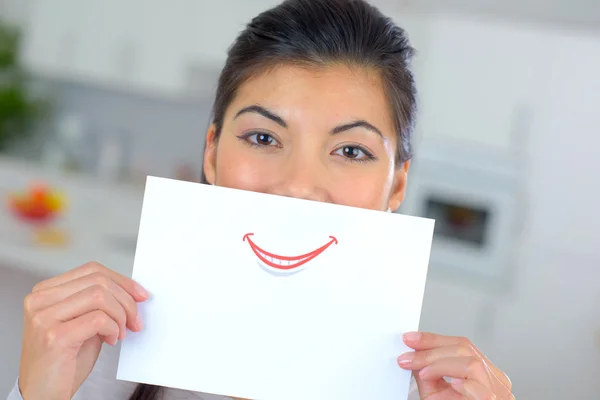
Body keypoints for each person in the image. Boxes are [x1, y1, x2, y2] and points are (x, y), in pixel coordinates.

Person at [8, 0, 515, 399]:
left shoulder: (430, 397)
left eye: (352, 150)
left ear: (397, 187)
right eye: (263, 138)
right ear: (211, 153)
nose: (297, 186)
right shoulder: (98, 361)